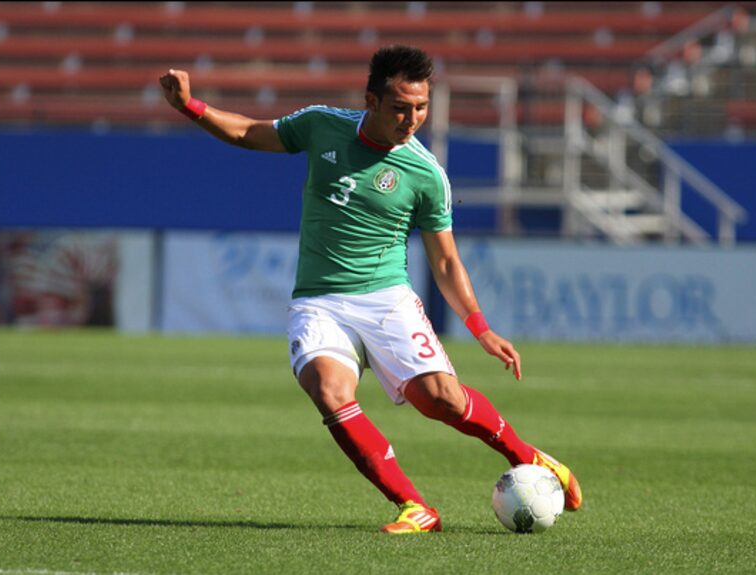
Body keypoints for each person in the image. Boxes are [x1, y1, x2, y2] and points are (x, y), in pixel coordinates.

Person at [160, 45, 582, 533]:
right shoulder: (322, 125)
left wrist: (480, 327)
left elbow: (445, 260)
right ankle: (415, 507)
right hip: (319, 301)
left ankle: (526, 455)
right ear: (372, 100)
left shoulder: (426, 174)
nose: (412, 118)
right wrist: (190, 107)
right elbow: (251, 133)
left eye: (421, 107)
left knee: (440, 400)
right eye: (401, 106)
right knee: (327, 388)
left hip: (387, 300)